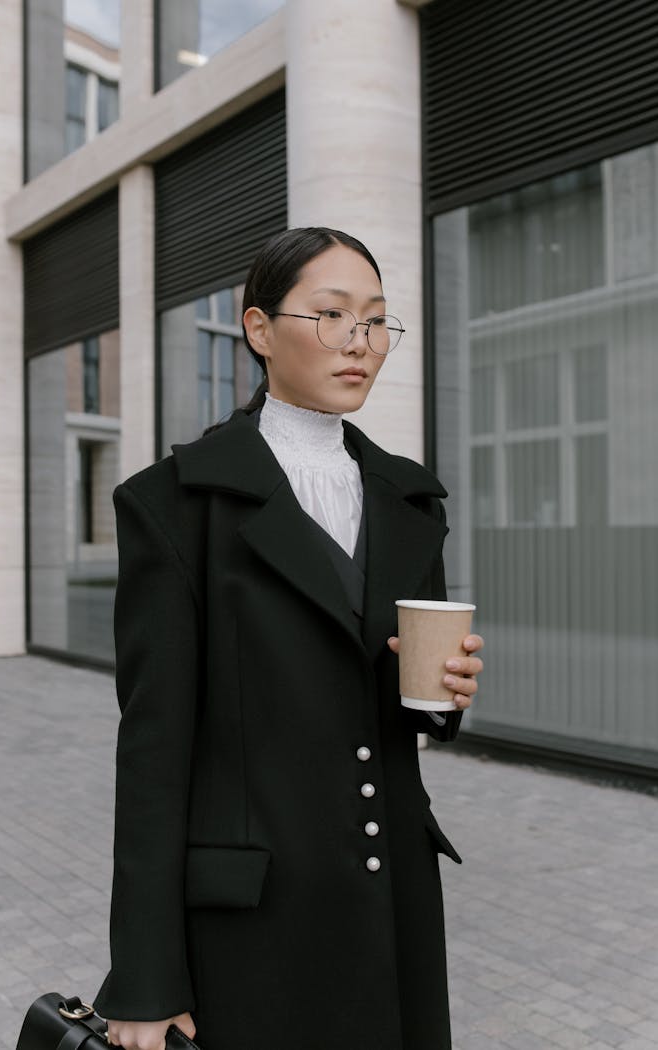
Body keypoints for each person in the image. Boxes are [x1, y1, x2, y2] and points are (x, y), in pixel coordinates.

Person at [93, 227, 484, 1050]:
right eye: (333, 315)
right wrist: (144, 976)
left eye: (376, 321)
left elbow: (402, 707)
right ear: (260, 330)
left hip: (395, 903)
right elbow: (154, 756)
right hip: (254, 922)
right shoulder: (174, 505)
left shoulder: (410, 499)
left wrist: (445, 695)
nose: (361, 344)